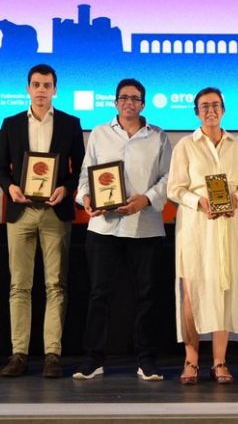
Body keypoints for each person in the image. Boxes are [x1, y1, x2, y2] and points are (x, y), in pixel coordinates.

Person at [72, 78, 172, 382]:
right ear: (115, 102)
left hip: (146, 227)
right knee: (99, 294)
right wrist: (86, 198)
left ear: (143, 104)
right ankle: (94, 358)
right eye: (123, 98)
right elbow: (84, 177)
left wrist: (146, 199)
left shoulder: (159, 137)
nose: (129, 102)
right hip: (103, 227)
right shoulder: (100, 134)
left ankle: (146, 360)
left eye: (135, 98)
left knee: (147, 296)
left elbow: (169, 179)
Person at [0, 64, 85, 378]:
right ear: (28, 89)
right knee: (19, 286)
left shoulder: (71, 124)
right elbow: (0, 170)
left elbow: (79, 171)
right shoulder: (11, 123)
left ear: (55, 89)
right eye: (36, 84)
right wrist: (11, 188)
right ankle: (18, 354)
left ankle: (52, 355)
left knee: (56, 285)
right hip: (20, 212)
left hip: (55, 212)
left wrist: (66, 188)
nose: (42, 90)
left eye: (47, 85)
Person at [167, 87, 238, 385]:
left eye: (216, 105)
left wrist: (237, 199)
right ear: (196, 112)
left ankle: (220, 362)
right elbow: (174, 189)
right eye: (204, 106)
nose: (210, 110)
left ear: (224, 110)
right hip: (196, 228)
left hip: (229, 228)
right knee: (192, 293)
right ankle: (191, 362)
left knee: (225, 292)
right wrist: (199, 202)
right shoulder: (185, 146)